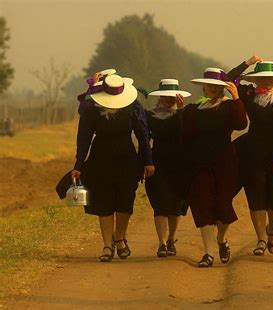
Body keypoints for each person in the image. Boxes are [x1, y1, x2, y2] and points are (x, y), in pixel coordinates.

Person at [71, 71, 154, 262]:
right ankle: (107, 245)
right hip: (100, 158)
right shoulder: (92, 108)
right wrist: (78, 165)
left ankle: (119, 239)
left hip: (127, 159)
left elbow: (143, 135)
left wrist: (148, 161)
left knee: (125, 201)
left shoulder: (133, 106)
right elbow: (83, 138)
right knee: (104, 202)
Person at [228, 56, 273, 256]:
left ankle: (271, 231)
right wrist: (247, 63)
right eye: (262, 78)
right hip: (253, 152)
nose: (266, 81)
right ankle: (260, 239)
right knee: (256, 196)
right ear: (256, 79)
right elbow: (229, 78)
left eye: (269, 78)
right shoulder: (248, 94)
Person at [183, 68, 247, 267]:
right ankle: (208, 253)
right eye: (209, 85)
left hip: (225, 162)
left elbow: (241, 124)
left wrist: (236, 98)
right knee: (203, 206)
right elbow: (186, 135)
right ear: (203, 86)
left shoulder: (229, 107)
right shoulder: (193, 109)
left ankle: (221, 240)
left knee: (224, 207)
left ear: (222, 88)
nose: (211, 88)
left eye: (216, 86)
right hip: (200, 163)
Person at [144, 79, 192, 258]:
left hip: (179, 163)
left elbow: (184, 132)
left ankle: (171, 239)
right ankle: (162, 243)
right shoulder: (150, 115)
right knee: (159, 204)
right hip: (158, 162)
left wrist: (180, 110)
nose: (170, 99)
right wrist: (146, 161)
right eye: (166, 96)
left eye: (173, 97)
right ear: (160, 96)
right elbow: (145, 139)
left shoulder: (185, 114)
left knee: (176, 205)